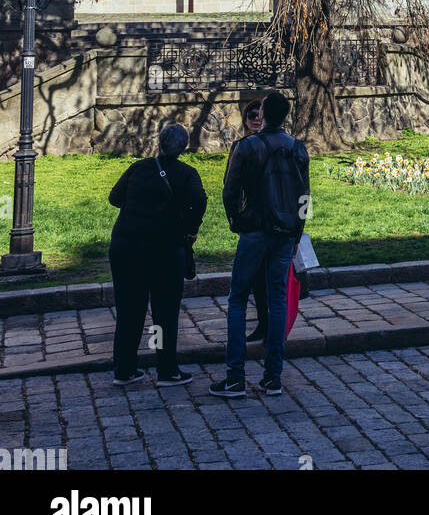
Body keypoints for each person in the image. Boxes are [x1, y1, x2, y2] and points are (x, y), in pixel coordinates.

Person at [211, 89, 309, 398]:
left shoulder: (247, 147)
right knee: (277, 299)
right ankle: (273, 376)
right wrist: (297, 231)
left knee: (238, 298)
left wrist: (234, 221)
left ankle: (235, 377)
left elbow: (230, 190)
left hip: (254, 229)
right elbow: (305, 197)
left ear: (264, 114)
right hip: (284, 232)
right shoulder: (298, 148)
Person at [108, 124, 207, 387]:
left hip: (126, 247)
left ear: (159, 143)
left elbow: (114, 198)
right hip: (164, 250)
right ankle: (166, 369)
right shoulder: (187, 174)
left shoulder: (138, 168)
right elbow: (199, 202)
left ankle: (124, 368)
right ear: (184, 147)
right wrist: (189, 229)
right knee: (163, 313)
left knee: (129, 310)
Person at [224, 100, 270, 341]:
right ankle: (265, 326)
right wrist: (235, 218)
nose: (255, 119)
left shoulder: (277, 144)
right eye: (250, 115)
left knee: (262, 281)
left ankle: (267, 327)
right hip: (253, 219)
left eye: (259, 115)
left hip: (269, 221)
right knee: (257, 279)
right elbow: (230, 184)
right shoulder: (240, 146)